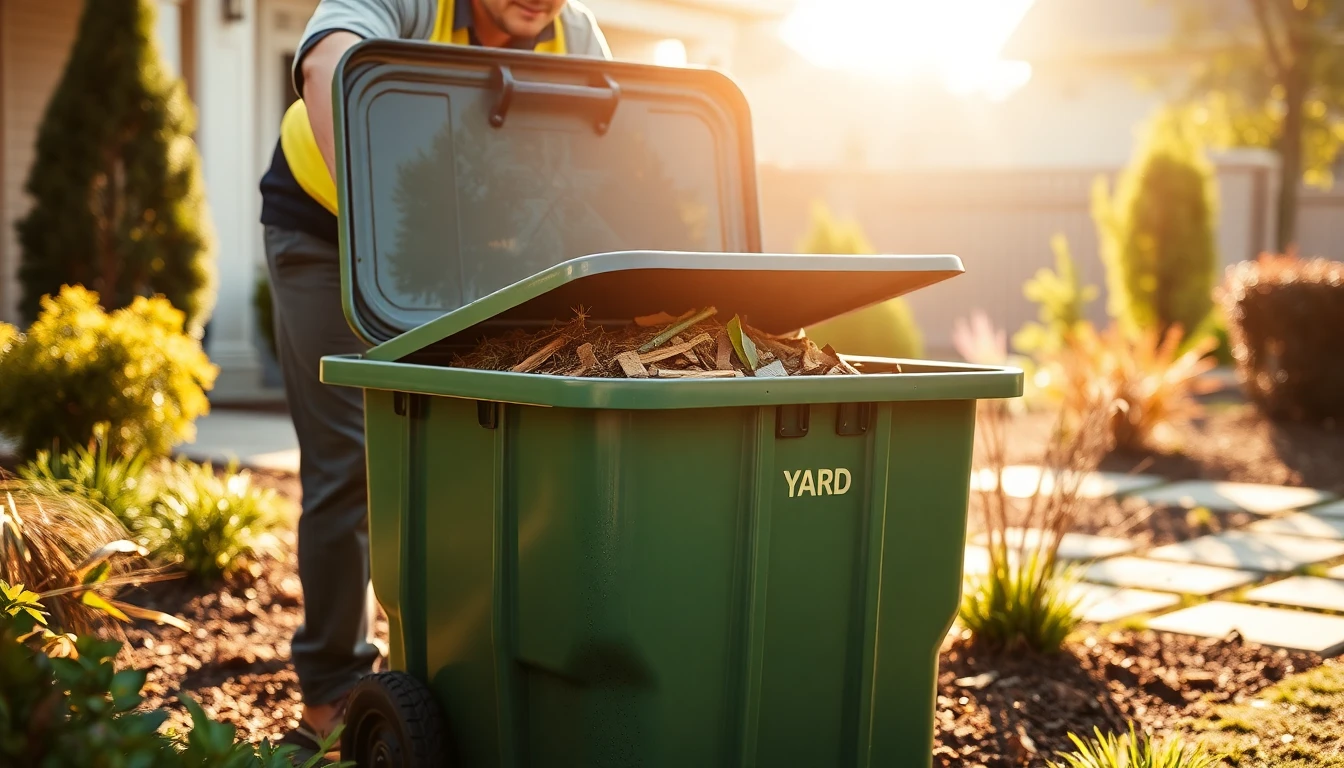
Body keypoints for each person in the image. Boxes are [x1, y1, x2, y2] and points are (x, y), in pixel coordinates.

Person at [257, 0, 611, 759]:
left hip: (469, 245)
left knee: (484, 446)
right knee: (350, 460)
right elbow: (327, 63)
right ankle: (332, 692)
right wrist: (387, 226)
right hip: (328, 225)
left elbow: (602, 152)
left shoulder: (575, 33)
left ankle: (469, 667)